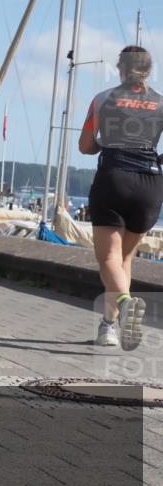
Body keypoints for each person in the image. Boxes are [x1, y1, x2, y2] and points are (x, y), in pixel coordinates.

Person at [79, 45, 162, 350]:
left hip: (114, 179)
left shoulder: (102, 99)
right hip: (150, 186)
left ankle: (125, 304)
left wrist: (105, 144)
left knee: (108, 258)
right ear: (148, 71)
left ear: (121, 69)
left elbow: (86, 146)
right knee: (124, 258)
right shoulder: (161, 103)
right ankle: (108, 328)